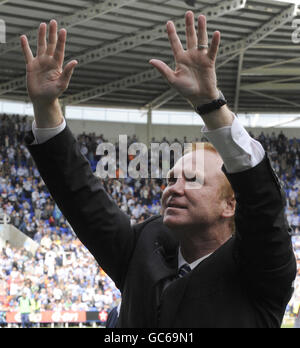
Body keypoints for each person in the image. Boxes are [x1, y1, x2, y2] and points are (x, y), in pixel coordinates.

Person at [20, 12, 296, 328]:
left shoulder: (261, 270)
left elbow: (261, 199)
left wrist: (209, 103)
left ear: (230, 205)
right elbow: (80, 195)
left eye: (192, 180)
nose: (172, 188)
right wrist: (45, 107)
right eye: (170, 179)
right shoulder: (143, 248)